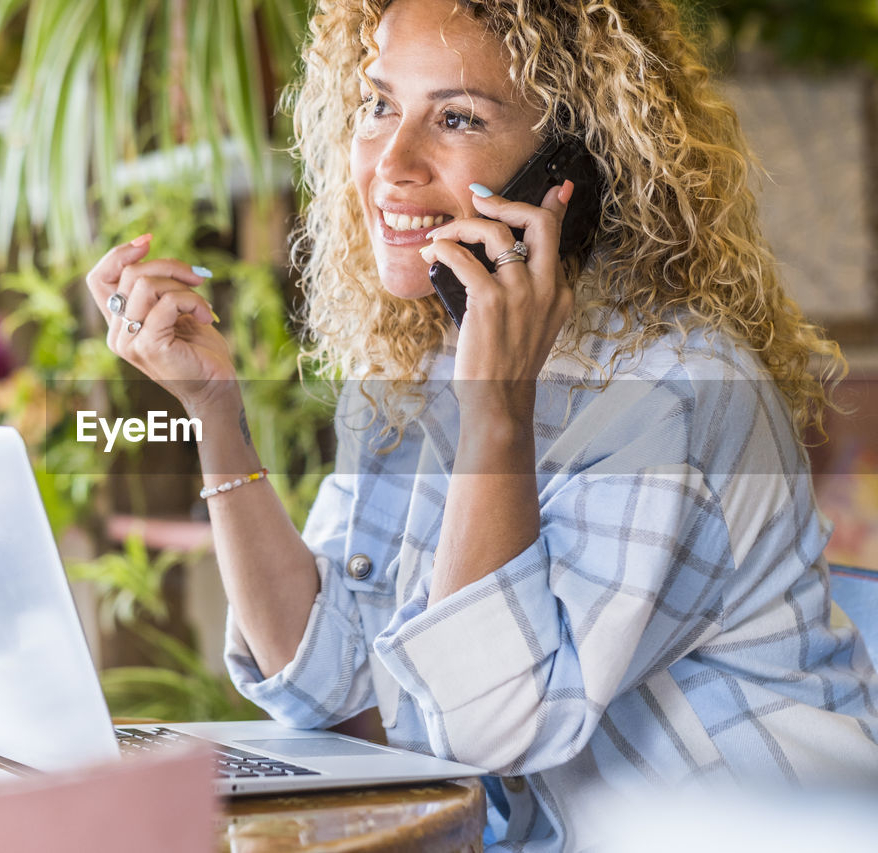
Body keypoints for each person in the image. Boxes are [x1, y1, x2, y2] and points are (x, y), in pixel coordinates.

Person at [84, 0, 878, 848]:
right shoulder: (421, 358)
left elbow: (484, 727)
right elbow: (329, 683)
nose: (392, 162)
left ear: (567, 171)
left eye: (456, 117)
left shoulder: (674, 391)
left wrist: (495, 411)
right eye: (380, 104)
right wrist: (215, 415)